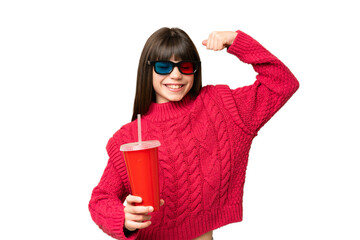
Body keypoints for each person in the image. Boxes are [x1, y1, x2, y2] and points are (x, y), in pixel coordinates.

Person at [88, 27, 299, 240]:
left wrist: (237, 41)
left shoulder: (221, 106)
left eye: (185, 67)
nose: (176, 74)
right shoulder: (130, 137)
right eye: (164, 67)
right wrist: (123, 219)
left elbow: (282, 83)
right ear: (147, 70)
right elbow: (101, 199)